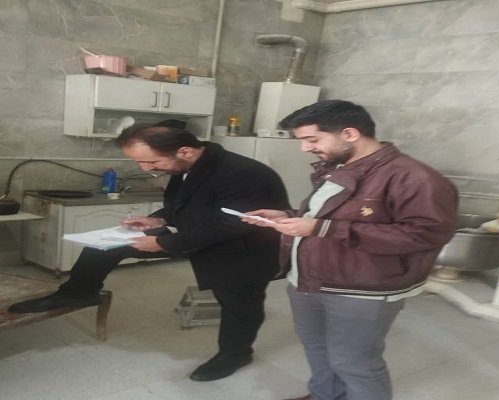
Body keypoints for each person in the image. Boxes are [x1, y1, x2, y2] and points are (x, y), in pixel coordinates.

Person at [9, 123, 290, 382]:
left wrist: (164, 243)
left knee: (238, 302)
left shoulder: (244, 173)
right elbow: (185, 205)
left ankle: (236, 354)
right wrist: (157, 220)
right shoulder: (185, 166)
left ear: (185, 151)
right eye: (140, 162)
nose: (145, 168)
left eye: (152, 162)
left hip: (243, 249)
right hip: (197, 234)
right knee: (106, 246)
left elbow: (231, 224)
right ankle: (77, 292)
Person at [241, 100, 458, 400]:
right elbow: (331, 215)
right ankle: (325, 395)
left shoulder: (415, 178)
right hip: (309, 279)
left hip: (362, 290)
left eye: (312, 139)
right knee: (317, 348)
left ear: (350, 133)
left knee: (355, 363)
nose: (305, 148)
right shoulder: (340, 167)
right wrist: (289, 216)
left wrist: (320, 228)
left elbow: (427, 234)